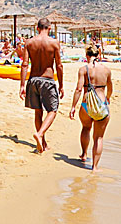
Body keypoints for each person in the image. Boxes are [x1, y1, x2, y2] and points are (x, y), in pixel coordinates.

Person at [19, 17, 64, 154]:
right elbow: (59, 65)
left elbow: (25, 64)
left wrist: (22, 85)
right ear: (49, 28)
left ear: (37, 28)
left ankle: (42, 144)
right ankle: (40, 135)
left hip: (33, 80)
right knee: (53, 110)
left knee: (38, 111)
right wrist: (61, 85)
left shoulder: (29, 42)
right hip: (47, 80)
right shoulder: (54, 43)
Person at [69, 45, 112, 171]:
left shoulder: (83, 69)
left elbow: (78, 89)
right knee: (99, 137)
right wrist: (108, 97)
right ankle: (95, 167)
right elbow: (110, 87)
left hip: (86, 104)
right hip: (102, 103)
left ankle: (83, 154)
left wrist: (73, 106)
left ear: (87, 55)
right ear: (98, 55)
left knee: (86, 128)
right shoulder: (106, 70)